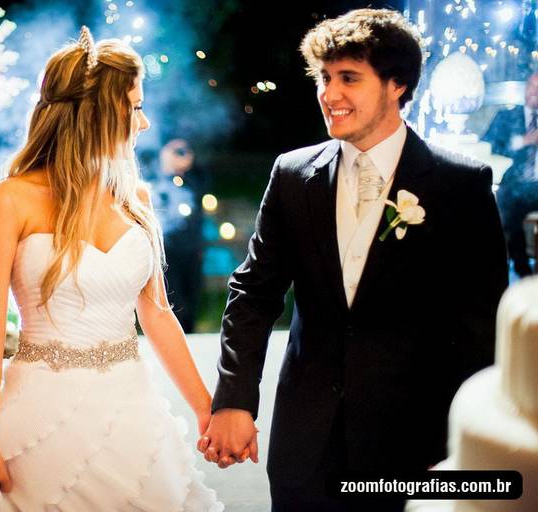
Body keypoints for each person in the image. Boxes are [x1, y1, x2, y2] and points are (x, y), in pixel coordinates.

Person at [198, 9, 508, 511]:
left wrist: (462, 446)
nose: (330, 93)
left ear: (396, 85)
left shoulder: (460, 184)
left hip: (415, 446)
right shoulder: (293, 175)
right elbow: (254, 293)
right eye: (324, 78)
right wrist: (234, 399)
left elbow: (481, 328)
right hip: (306, 444)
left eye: (349, 78)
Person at [0, 27, 223, 511]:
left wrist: (205, 408)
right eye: (134, 106)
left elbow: (157, 314)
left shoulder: (136, 197)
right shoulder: (8, 201)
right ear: (96, 113)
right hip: (39, 413)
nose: (145, 122)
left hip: (132, 410)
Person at [482, 72, 538, 277]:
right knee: (508, 205)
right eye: (531, 86)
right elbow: (489, 144)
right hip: (517, 185)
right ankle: (522, 270)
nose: (534, 92)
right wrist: (523, 141)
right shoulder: (507, 116)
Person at [150, 139, 206, 332]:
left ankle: (189, 336)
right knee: (173, 300)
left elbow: (202, 184)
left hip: (192, 250)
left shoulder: (193, 181)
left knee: (192, 298)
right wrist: (166, 167)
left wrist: (186, 167)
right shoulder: (155, 177)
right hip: (167, 250)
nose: (180, 155)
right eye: (176, 151)